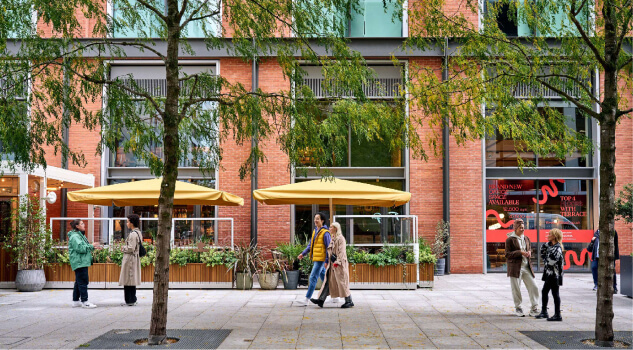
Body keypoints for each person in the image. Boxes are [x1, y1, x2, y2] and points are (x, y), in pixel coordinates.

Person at [310, 222, 354, 308]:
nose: (329, 229)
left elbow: (342, 252)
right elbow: (329, 252)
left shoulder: (341, 239)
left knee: (342, 282)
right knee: (328, 282)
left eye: (331, 227)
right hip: (332, 264)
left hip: (339, 265)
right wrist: (327, 261)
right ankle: (321, 300)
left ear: (336, 229)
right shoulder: (333, 238)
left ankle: (349, 301)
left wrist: (337, 262)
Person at [505, 218, 540, 317]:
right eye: (520, 228)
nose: (522, 229)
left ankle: (534, 308)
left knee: (534, 286)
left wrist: (529, 252)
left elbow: (529, 249)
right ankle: (518, 308)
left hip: (526, 267)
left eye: (523, 228)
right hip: (515, 268)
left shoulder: (526, 238)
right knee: (516, 288)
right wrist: (519, 252)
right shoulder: (510, 240)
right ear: (515, 228)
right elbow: (507, 255)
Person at [296, 212, 331, 306]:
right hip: (316, 258)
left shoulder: (325, 233)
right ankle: (335, 297)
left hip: (321, 259)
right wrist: (303, 254)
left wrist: (327, 261)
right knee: (325, 278)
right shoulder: (315, 231)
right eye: (315, 218)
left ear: (322, 220)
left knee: (312, 277)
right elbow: (310, 245)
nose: (315, 220)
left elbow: (329, 248)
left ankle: (306, 299)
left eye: (318, 219)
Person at [68, 219, 98, 309]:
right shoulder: (75, 236)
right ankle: (85, 302)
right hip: (80, 262)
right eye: (81, 223)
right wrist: (92, 246)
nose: (84, 224)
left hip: (81, 261)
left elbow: (83, 247)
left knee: (79, 281)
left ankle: (75, 301)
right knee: (83, 281)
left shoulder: (78, 235)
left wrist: (92, 247)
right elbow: (80, 248)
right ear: (77, 226)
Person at [536, 229, 564, 321]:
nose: (548, 236)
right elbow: (542, 249)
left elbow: (552, 261)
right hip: (549, 273)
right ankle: (544, 312)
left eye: (550, 234)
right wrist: (545, 258)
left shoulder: (557, 248)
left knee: (555, 293)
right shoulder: (550, 245)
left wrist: (546, 260)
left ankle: (557, 314)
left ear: (554, 236)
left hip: (555, 274)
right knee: (545, 291)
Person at [119, 214, 142, 306]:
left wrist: (123, 248)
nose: (127, 223)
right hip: (134, 258)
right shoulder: (138, 232)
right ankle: (132, 299)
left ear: (132, 223)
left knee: (128, 279)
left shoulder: (133, 234)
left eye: (128, 221)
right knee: (131, 279)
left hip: (130, 258)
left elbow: (131, 248)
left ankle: (130, 300)